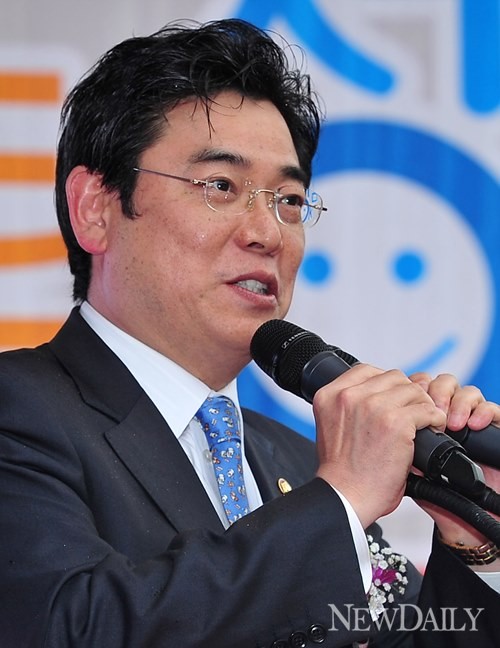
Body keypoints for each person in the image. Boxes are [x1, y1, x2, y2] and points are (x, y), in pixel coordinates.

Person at [0, 18, 499, 648]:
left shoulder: (296, 462)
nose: (267, 233)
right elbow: (67, 627)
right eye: (221, 186)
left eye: (289, 200)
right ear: (95, 208)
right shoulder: (19, 411)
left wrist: (474, 543)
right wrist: (340, 503)